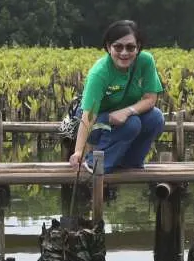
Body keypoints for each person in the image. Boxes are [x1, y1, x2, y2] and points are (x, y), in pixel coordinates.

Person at [65, 19, 165, 174]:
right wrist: (78, 151)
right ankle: (95, 163)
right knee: (132, 123)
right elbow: (88, 115)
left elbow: (150, 99)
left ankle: (130, 162)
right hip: (94, 122)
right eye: (118, 47)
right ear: (108, 47)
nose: (124, 53)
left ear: (138, 48)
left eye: (130, 47)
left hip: (124, 116)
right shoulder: (100, 73)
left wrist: (127, 111)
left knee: (156, 118)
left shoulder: (145, 61)